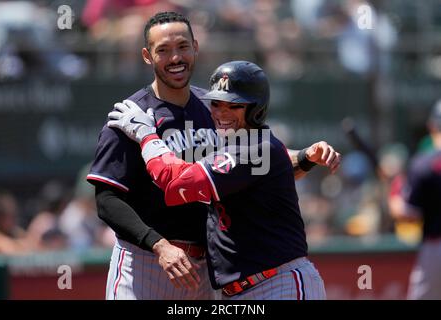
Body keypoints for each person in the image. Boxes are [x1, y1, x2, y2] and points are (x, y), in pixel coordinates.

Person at [88, 11, 339, 300]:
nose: (175, 58)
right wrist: (158, 245)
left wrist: (302, 157)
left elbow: (255, 166)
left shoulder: (214, 110)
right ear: (147, 56)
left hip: (205, 269)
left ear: (196, 47)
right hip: (147, 262)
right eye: (164, 50)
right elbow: (107, 201)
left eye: (182, 47)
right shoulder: (130, 116)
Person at [388, 99, 441, 300]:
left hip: (436, 249)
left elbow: (408, 214)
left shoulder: (424, 164)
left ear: (432, 126)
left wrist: (394, 194)